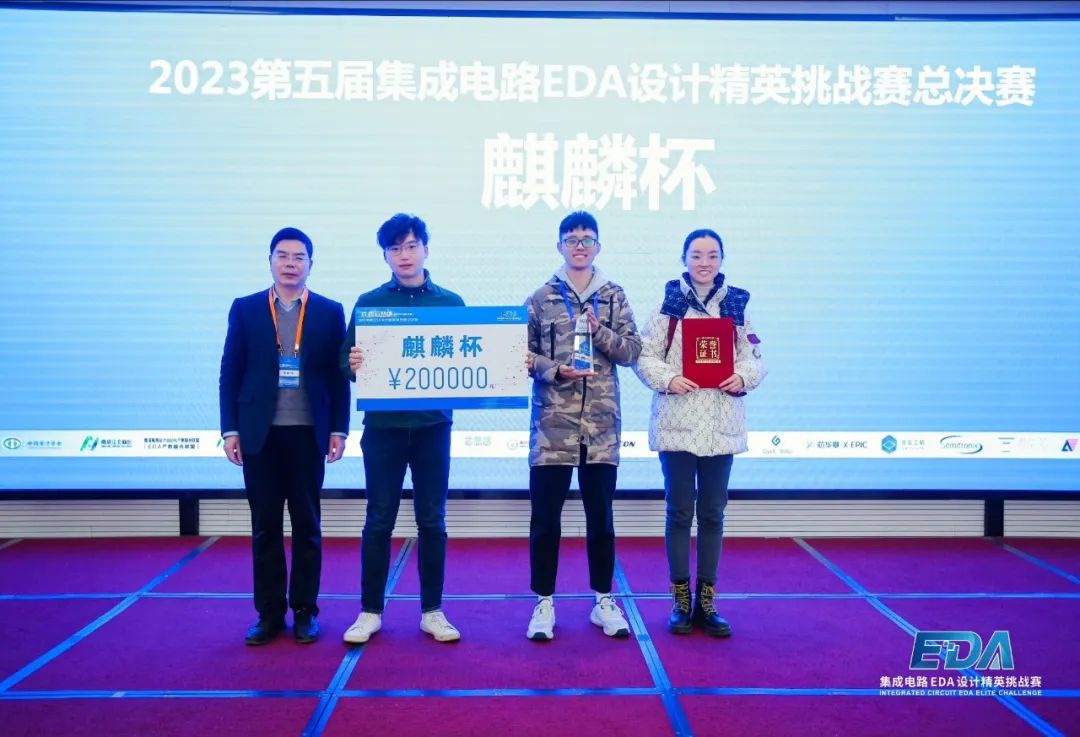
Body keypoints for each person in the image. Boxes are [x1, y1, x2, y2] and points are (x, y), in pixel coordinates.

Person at [632, 228, 767, 637]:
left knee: (712, 514)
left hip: (721, 424)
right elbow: (643, 356)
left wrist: (742, 375)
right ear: (684, 259)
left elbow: (755, 357)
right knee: (678, 512)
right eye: (696, 255)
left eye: (711, 255)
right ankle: (680, 599)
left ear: (721, 259)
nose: (704, 263)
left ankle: (707, 601)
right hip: (678, 422)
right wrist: (669, 379)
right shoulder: (667, 305)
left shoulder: (737, 305)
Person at [219, 226, 350, 645]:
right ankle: (269, 613)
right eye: (283, 256)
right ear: (271, 261)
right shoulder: (246, 309)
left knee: (308, 525)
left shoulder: (329, 311)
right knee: (265, 527)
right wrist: (229, 429)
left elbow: (338, 376)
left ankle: (306, 610)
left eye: (299, 257)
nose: (290, 264)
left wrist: (339, 428)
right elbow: (230, 372)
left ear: (311, 264)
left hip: (308, 433)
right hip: (260, 435)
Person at [339, 213, 465, 645]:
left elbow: (474, 359)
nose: (404, 255)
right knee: (379, 519)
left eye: (411, 246)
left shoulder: (451, 304)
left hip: (433, 428)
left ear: (426, 249)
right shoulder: (370, 303)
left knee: (432, 520)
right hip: (384, 428)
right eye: (395, 248)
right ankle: (369, 611)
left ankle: (433, 611)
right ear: (386, 256)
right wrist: (353, 363)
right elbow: (343, 363)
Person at [523, 210, 642, 642]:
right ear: (559, 246)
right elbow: (521, 355)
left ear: (598, 246)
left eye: (587, 239)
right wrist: (556, 370)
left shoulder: (613, 295)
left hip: (601, 428)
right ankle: (543, 603)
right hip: (552, 427)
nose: (579, 245)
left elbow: (632, 351)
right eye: (571, 239)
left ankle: (603, 601)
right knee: (545, 520)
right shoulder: (540, 298)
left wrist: (601, 331)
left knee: (601, 519)